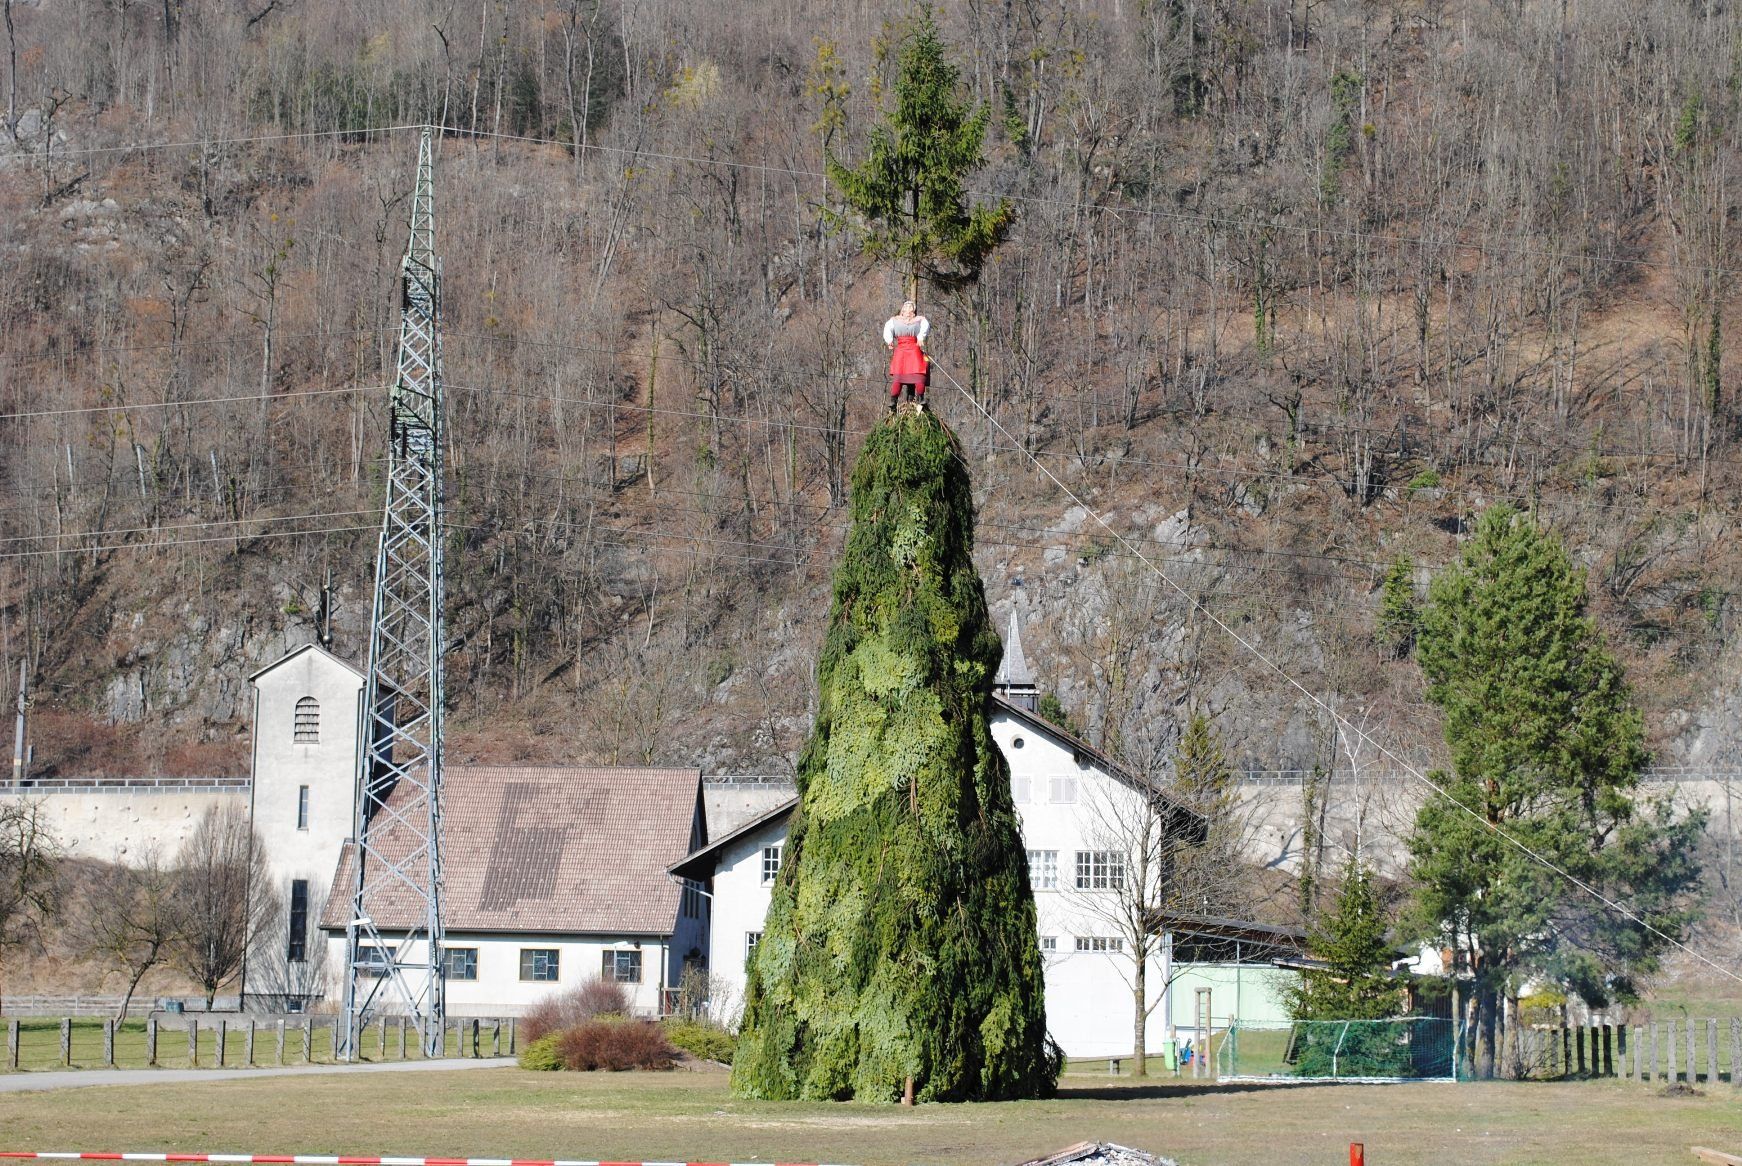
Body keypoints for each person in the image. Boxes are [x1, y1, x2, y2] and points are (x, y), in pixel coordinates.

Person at [882, 300, 930, 413]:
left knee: (918, 374)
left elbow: (925, 326)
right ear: (902, 309)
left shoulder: (920, 320)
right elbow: (887, 329)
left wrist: (921, 338)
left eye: (910, 307)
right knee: (898, 376)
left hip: (914, 349)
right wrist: (889, 341)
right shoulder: (894, 320)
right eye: (906, 306)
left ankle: (921, 398)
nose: (908, 309)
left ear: (913, 310)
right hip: (901, 350)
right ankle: (893, 401)